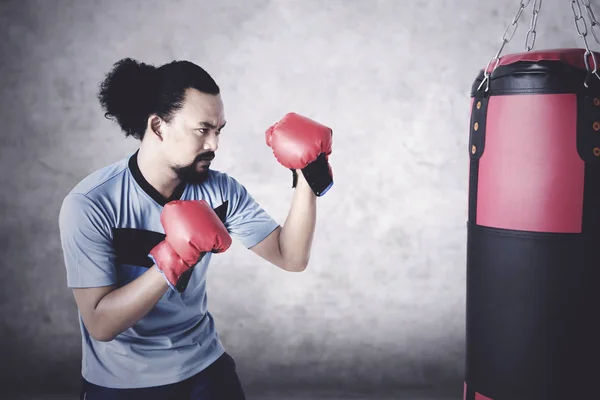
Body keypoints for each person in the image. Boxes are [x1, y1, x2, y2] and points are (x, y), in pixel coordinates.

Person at [58, 58, 334, 400]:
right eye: (203, 129)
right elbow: (100, 324)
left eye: (219, 130)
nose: (215, 145)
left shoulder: (220, 190)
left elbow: (290, 257)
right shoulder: (91, 203)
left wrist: (307, 175)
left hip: (206, 368)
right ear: (158, 127)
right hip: (122, 381)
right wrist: (172, 257)